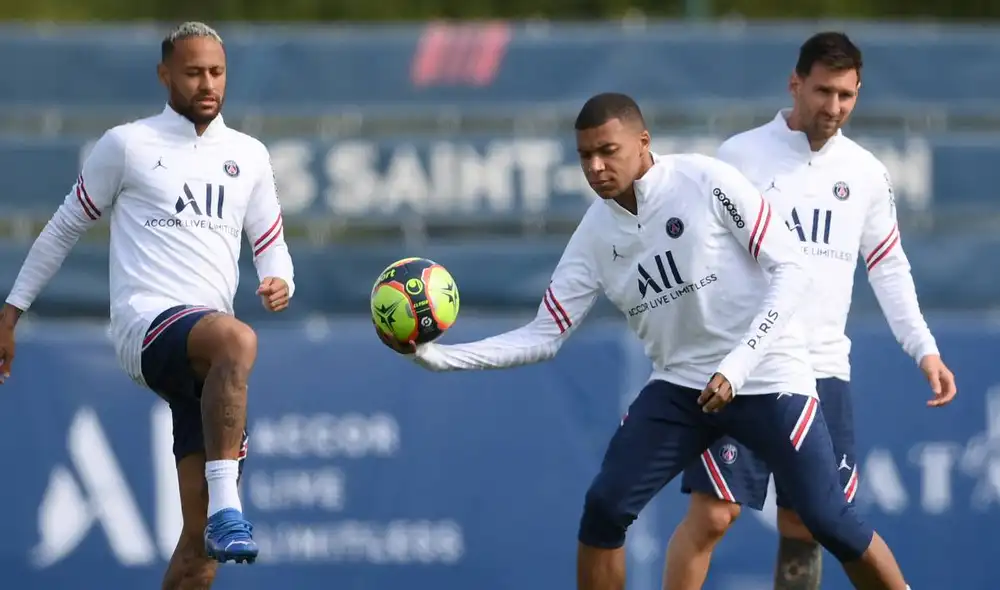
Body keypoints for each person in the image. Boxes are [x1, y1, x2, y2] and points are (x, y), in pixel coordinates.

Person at [379, 92, 913, 590]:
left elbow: (792, 269)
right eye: (585, 155)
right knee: (605, 507)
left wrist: (740, 364)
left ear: (643, 141)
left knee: (827, 519)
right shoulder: (594, 235)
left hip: (768, 374)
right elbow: (543, 336)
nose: (595, 167)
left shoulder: (705, 181)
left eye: (607, 151)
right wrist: (439, 357)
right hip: (682, 388)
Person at [0, 21, 295, 588]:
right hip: (148, 326)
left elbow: (272, 246)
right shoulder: (128, 145)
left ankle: (216, 519)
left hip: (204, 360)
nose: (207, 84)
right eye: (192, 72)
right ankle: (229, 507)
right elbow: (63, 229)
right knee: (239, 338)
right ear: (165, 75)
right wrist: (11, 311)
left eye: (217, 71)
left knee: (198, 553)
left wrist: (280, 280)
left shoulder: (249, 156)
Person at [664, 32, 957, 590]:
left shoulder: (866, 172)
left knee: (810, 521)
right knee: (713, 513)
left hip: (823, 370)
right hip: (746, 369)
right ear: (795, 84)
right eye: (823, 91)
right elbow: (699, 259)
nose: (834, 108)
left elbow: (888, 266)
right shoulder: (741, 157)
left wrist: (925, 348)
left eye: (847, 95)